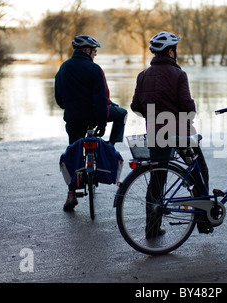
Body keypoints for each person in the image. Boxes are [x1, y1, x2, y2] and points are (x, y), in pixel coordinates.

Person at [131, 31, 211, 237]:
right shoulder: (179, 74)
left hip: (157, 133)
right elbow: (187, 107)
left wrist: (153, 118)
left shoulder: (143, 76)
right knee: (199, 172)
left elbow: (135, 106)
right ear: (170, 51)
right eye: (175, 49)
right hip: (180, 133)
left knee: (158, 179)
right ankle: (203, 221)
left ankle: (152, 228)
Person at [55, 34, 127, 211]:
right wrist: (102, 123)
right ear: (87, 50)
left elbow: (58, 98)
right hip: (95, 116)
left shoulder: (63, 68)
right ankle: (110, 146)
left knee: (73, 152)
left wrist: (70, 109)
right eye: (94, 51)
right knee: (122, 113)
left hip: (73, 119)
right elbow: (101, 99)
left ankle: (71, 194)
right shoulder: (94, 69)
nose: (95, 54)